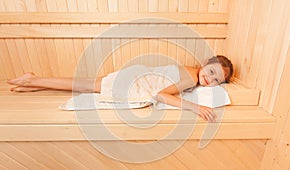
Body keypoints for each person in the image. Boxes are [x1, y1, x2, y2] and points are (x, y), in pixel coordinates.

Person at [7, 55, 233, 122]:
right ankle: (32, 80)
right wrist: (194, 107)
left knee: (84, 84)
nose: (209, 80)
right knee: (84, 85)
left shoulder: (192, 70)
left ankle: (34, 84)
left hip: (135, 75)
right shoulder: (190, 76)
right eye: (211, 71)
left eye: (216, 81)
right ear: (205, 63)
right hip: (132, 83)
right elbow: (161, 95)